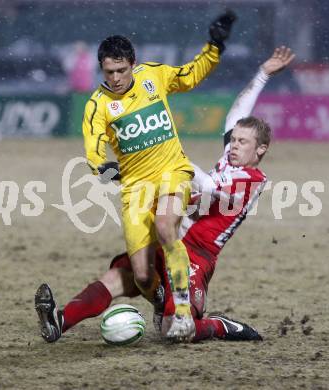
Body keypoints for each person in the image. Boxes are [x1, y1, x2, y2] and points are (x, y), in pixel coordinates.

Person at [35, 46, 295, 343]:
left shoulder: (252, 181)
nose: (233, 145)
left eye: (242, 142)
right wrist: (262, 75)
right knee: (124, 277)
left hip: (197, 256)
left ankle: (221, 326)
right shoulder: (230, 159)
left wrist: (167, 162)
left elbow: (208, 193)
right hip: (168, 237)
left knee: (176, 331)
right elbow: (237, 113)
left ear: (260, 149)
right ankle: (60, 319)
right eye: (232, 140)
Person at [81, 11, 237, 340]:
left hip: (172, 171)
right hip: (135, 188)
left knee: (166, 227)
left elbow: (189, 76)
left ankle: (182, 312)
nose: (116, 78)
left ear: (133, 64)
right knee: (141, 276)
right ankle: (160, 301)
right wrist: (102, 166)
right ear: (102, 70)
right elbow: (94, 147)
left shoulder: (154, 76)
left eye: (122, 70)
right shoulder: (98, 105)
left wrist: (215, 46)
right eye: (109, 72)